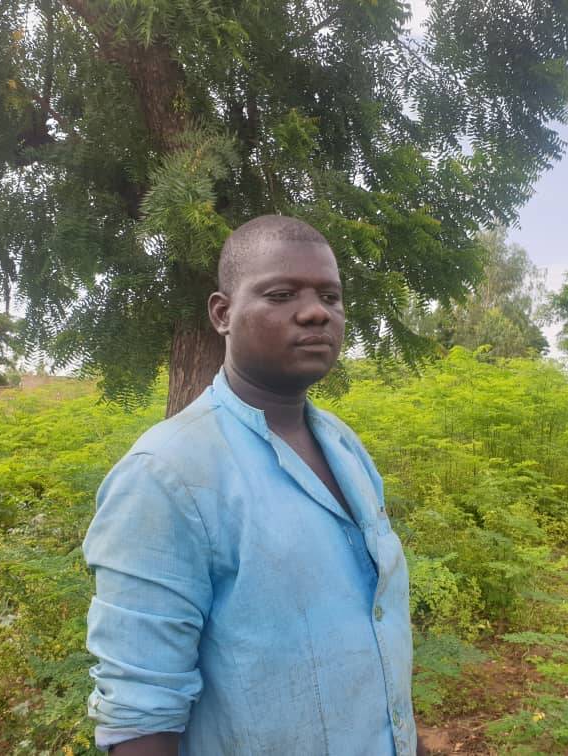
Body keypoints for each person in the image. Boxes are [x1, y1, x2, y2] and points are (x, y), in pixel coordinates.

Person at [83, 215, 421, 755]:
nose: (316, 312)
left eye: (330, 297)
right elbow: (140, 711)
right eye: (282, 294)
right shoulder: (166, 474)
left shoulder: (343, 445)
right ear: (223, 313)